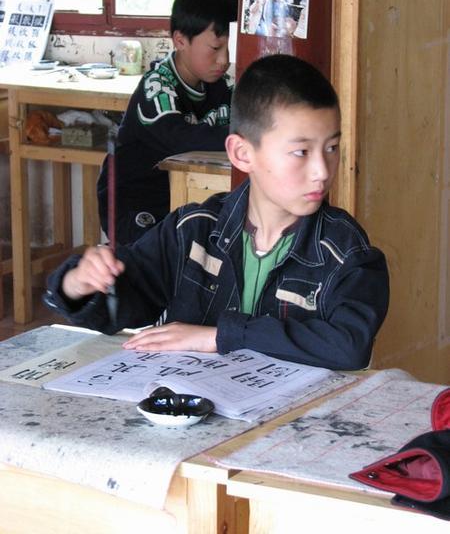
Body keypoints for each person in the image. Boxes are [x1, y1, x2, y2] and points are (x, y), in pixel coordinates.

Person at [44, 54, 389, 371]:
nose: (322, 170)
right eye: (301, 152)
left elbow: (348, 345)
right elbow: (123, 301)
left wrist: (217, 337)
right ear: (241, 153)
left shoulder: (345, 251)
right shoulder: (193, 231)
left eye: (331, 148)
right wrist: (79, 282)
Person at [96, 0, 238, 245]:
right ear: (180, 40)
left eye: (231, 48)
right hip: (134, 203)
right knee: (155, 269)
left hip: (182, 198)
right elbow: (182, 140)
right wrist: (246, 137)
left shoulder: (224, 86)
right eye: (216, 48)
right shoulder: (157, 88)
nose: (225, 59)